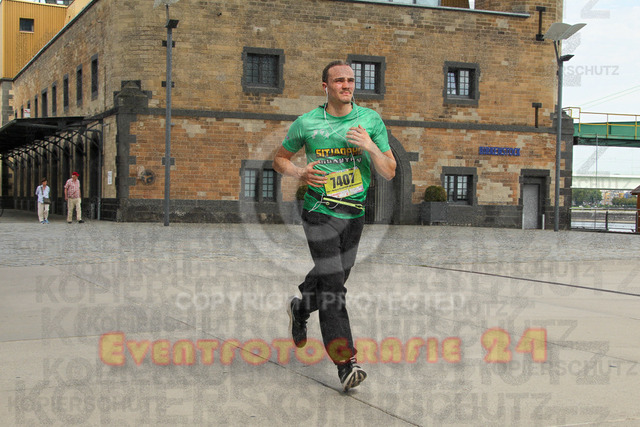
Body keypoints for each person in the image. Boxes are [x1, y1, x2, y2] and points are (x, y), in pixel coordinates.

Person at [273, 60, 396, 391]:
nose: (347, 85)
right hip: (319, 211)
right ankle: (346, 364)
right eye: (339, 80)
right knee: (333, 288)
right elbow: (279, 159)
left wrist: (369, 146)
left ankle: (300, 307)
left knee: (336, 278)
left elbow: (389, 171)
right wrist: (300, 172)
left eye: (351, 80)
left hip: (354, 215)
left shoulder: (370, 121)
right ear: (325, 86)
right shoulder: (307, 123)